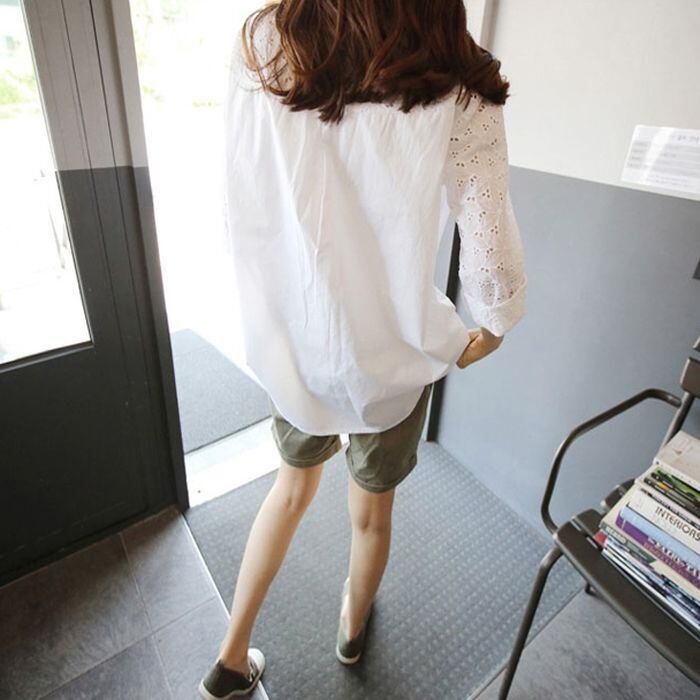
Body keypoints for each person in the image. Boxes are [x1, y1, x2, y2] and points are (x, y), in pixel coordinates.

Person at [200, 1, 527, 697]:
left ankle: (230, 656)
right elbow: (486, 219)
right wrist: (494, 323)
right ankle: (351, 631)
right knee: (373, 512)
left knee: (290, 490)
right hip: (395, 351)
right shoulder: (454, 64)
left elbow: (241, 190)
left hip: (300, 343)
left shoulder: (270, 39)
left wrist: (267, 313)